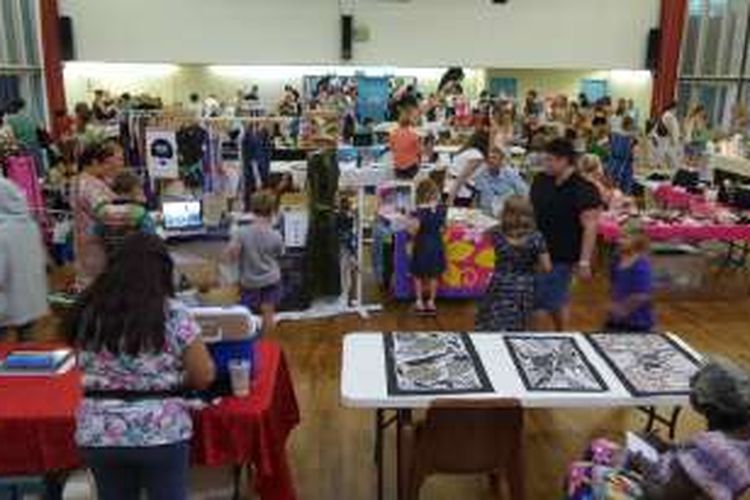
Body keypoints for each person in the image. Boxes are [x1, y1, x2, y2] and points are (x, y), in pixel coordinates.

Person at [66, 233, 215, 500]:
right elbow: (203, 376)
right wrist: (174, 378)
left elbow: (83, 362)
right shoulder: (172, 313)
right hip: (161, 431)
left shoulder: (87, 310)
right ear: (163, 270)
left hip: (100, 431)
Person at [565, 358, 750, 499]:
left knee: (580, 473)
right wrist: (667, 447)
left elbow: (661, 495)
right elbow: (698, 469)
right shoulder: (740, 438)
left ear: (711, 409)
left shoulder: (715, 449)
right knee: (600, 447)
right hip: (672, 480)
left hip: (658, 489)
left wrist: (642, 465)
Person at [531, 138, 603, 331]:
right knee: (556, 298)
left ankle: (535, 338)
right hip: (536, 250)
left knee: (540, 303)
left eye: (549, 160)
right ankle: (562, 333)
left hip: (562, 254)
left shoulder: (584, 189)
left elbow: (590, 227)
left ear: (564, 161)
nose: (545, 164)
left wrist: (584, 261)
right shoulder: (541, 180)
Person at [475, 196, 551, 332]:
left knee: (492, 323)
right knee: (517, 326)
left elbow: (479, 240)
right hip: (524, 287)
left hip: (499, 283)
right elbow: (546, 267)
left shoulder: (496, 233)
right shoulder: (536, 237)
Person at [226, 191, 284, 336]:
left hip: (249, 282)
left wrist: (233, 234)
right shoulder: (276, 235)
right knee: (268, 314)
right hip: (271, 280)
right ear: (272, 211)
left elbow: (231, 256)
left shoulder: (241, 232)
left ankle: (250, 346)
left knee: (247, 316)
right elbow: (280, 254)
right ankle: (265, 348)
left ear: (252, 209)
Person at [0, 178, 48, 341]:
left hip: (7, 299)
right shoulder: (29, 224)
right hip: (31, 298)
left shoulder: (3, 231)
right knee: (27, 342)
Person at [72, 139, 120, 288]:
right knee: (98, 283)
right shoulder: (89, 185)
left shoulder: (78, 180)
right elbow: (105, 213)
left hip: (84, 238)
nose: (106, 167)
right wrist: (137, 212)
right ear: (93, 162)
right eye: (103, 163)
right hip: (96, 241)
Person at [605, 221, 654, 332]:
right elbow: (613, 283)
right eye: (619, 237)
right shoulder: (617, 259)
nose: (619, 241)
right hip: (616, 318)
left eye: (624, 238)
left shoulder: (641, 264)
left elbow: (642, 294)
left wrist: (623, 309)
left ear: (638, 240)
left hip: (638, 321)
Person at [94, 170, 155, 259]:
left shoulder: (102, 210)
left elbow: (97, 233)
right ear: (134, 189)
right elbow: (151, 238)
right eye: (139, 188)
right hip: (136, 260)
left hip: (113, 261)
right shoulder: (139, 212)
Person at [409, 178, 447, 314]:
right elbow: (443, 228)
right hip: (437, 244)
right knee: (434, 275)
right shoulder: (442, 209)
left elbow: (414, 230)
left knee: (418, 274)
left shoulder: (418, 211)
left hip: (422, 244)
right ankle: (431, 301)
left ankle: (419, 301)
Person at [472, 146, 529, 217]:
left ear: (501, 160)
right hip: (486, 214)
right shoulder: (480, 176)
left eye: (494, 158)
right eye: (488, 158)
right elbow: (476, 198)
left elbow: (524, 194)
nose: (490, 160)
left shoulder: (511, 174)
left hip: (507, 215)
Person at [445, 131, 490, 207]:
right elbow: (462, 177)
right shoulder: (476, 156)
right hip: (460, 192)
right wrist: (451, 197)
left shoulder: (466, 152)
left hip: (450, 186)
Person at [389, 97, 422, 179]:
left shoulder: (393, 134)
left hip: (398, 169)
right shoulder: (414, 135)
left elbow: (393, 149)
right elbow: (419, 151)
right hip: (411, 169)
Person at [608, 115, 638, 194]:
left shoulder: (615, 134)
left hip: (617, 164)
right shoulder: (628, 137)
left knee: (616, 187)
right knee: (622, 188)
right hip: (621, 164)